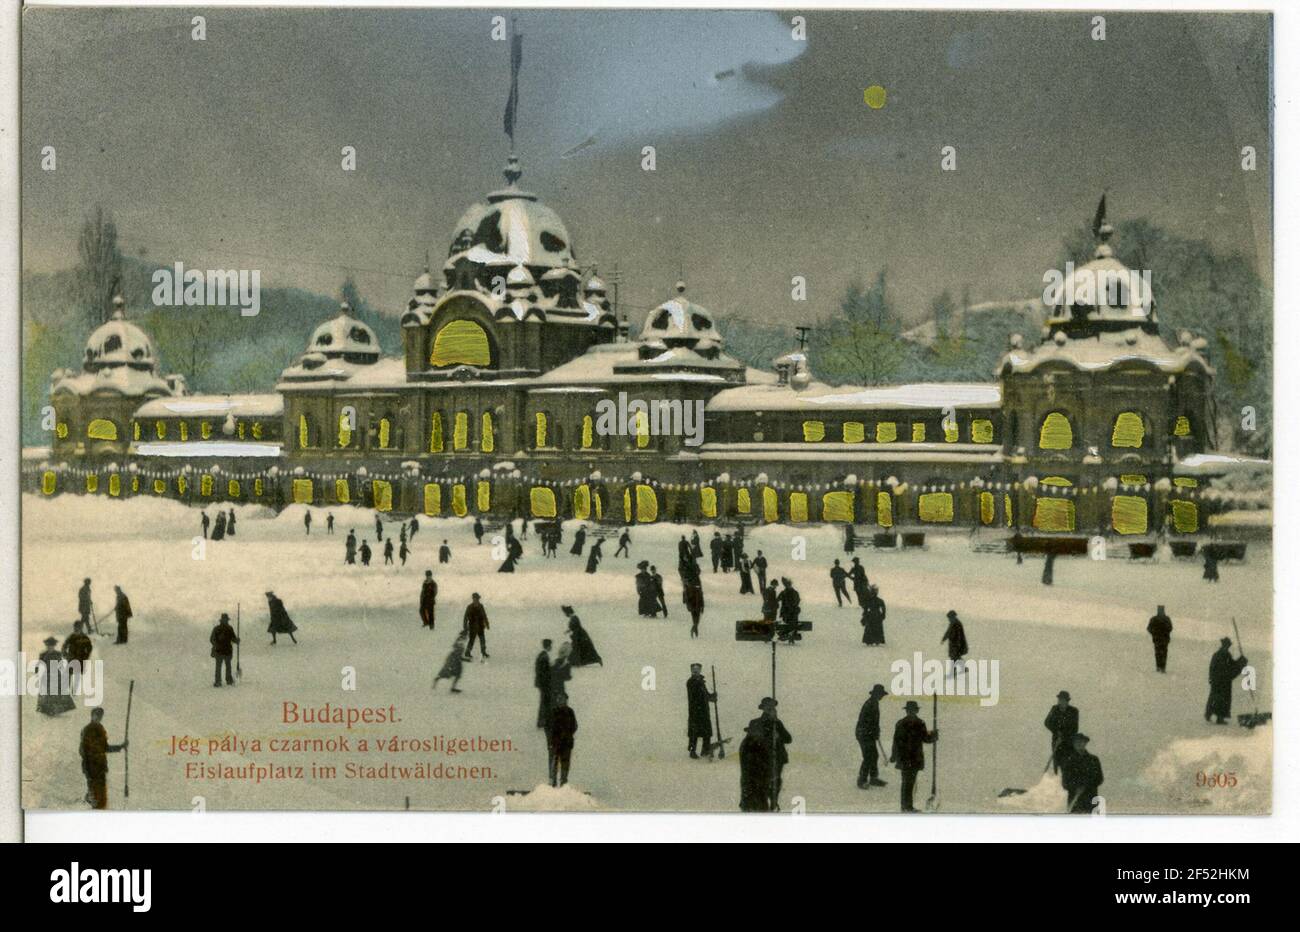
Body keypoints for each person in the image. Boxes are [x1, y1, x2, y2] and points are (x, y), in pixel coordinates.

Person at [889, 699, 937, 812]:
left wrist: (894, 756)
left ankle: (905, 806)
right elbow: (926, 739)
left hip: (904, 758)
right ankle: (908, 807)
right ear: (916, 711)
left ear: (907, 711)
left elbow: (895, 741)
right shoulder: (920, 723)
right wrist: (934, 735)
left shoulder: (900, 723)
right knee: (909, 783)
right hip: (915, 758)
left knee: (906, 782)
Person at [747, 698, 792, 810]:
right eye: (768, 707)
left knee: (776, 780)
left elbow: (788, 739)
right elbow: (751, 740)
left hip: (777, 757)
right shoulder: (755, 722)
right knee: (765, 781)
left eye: (772, 707)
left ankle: (773, 801)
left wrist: (777, 730)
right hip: (762, 757)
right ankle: (765, 803)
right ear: (763, 709)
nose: (771, 709)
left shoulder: (777, 723)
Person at [79, 707, 126, 809]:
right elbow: (82, 750)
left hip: (100, 766)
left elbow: (105, 748)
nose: (99, 718)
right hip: (91, 766)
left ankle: (90, 802)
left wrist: (121, 746)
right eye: (97, 715)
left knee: (99, 795)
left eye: (100, 716)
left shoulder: (101, 729)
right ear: (92, 716)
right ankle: (89, 805)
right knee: (95, 794)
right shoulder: (86, 730)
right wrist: (89, 761)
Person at [1205, 637, 1248, 724]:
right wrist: (1241, 663)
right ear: (1225, 645)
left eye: (1228, 645)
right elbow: (1230, 668)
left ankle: (1209, 713)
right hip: (1222, 681)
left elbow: (1231, 666)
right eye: (1227, 645)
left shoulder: (1219, 654)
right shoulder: (1223, 655)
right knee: (1223, 699)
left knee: (1214, 697)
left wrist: (1241, 661)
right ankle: (1219, 718)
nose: (1227, 647)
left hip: (1217, 680)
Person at [855, 684, 888, 788]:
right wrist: (874, 732)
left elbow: (874, 722)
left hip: (868, 734)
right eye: (881, 694)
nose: (882, 696)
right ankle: (862, 780)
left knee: (874, 755)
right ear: (876, 694)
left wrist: (876, 731)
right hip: (864, 734)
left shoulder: (874, 703)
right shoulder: (870, 704)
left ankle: (873, 778)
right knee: (868, 756)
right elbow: (867, 722)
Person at [1060, 733, 1103, 814]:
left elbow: (1099, 778)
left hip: (1091, 799)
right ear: (1073, 744)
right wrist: (1076, 787)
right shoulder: (1068, 761)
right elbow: (1065, 782)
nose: (1079, 744)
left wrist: (1086, 785)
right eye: (1077, 742)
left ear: (1085, 743)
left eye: (1082, 741)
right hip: (1075, 801)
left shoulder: (1093, 760)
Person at [36, 637, 76, 715]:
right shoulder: (43, 654)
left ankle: (57, 710)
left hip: (57, 675)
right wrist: (36, 670)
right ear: (46, 645)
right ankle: (47, 710)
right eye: (48, 646)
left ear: (54, 646)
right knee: (47, 692)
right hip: (47, 676)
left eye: (51, 645)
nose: (50, 647)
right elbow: (39, 664)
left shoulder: (58, 654)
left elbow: (61, 664)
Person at [738, 721, 772, 812]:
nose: (760, 734)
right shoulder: (749, 744)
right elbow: (754, 766)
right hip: (753, 786)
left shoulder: (756, 743)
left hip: (756, 786)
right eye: (758, 731)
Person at [546, 693, 578, 787]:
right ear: (557, 700)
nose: (561, 700)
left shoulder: (570, 712)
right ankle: (553, 783)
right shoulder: (553, 712)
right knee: (554, 763)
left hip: (566, 743)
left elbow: (574, 726)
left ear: (566, 700)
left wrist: (567, 734)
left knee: (565, 764)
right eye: (559, 698)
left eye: (563, 699)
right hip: (556, 743)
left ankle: (564, 783)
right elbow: (549, 727)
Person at [686, 663, 717, 759]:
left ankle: (705, 750)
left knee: (706, 731)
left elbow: (706, 695)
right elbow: (699, 695)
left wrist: (713, 696)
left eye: (697, 669)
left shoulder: (702, 682)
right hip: (695, 711)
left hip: (704, 711)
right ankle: (692, 751)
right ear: (691, 670)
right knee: (694, 732)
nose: (695, 670)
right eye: (694, 669)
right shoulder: (691, 682)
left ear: (700, 670)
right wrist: (709, 697)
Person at [1044, 690, 1078, 774]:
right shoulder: (1054, 709)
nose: (1060, 702)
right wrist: (1056, 731)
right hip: (1056, 741)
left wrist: (1064, 735)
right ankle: (1056, 779)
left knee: (1068, 763)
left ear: (1067, 701)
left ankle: (1067, 782)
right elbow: (1047, 722)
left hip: (1069, 742)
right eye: (1059, 699)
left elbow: (1075, 728)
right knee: (1056, 762)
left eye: (1063, 700)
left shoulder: (1074, 711)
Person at [62, 622, 94, 694]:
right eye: (75, 628)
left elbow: (89, 648)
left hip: (80, 659)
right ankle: (67, 690)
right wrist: (65, 654)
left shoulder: (85, 638)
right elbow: (64, 646)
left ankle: (74, 691)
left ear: (81, 628)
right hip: (71, 659)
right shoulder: (71, 637)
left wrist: (86, 656)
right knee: (69, 674)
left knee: (77, 675)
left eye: (78, 628)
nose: (77, 629)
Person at [209, 612, 240, 687]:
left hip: (221, 651)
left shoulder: (218, 628)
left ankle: (219, 682)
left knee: (220, 667)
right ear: (223, 620)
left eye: (226, 620)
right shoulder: (228, 628)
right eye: (225, 620)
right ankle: (228, 680)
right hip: (226, 651)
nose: (225, 621)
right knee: (226, 666)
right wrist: (237, 640)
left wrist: (236, 640)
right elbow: (234, 639)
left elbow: (212, 639)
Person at [462, 593, 489, 661]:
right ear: (473, 599)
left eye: (477, 599)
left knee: (482, 640)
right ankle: (467, 652)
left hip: (480, 626)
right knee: (471, 640)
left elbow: (484, 615)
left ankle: (483, 652)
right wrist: (465, 625)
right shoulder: (469, 607)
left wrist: (487, 623)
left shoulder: (481, 606)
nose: (476, 600)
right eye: (475, 599)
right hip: (472, 627)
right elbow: (465, 617)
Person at [1146, 605, 1173, 673]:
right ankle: (1162, 668)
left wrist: (1155, 633)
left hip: (1158, 639)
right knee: (1163, 654)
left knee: (1159, 654)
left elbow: (1149, 628)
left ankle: (1160, 667)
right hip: (1163, 639)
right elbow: (1170, 628)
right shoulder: (1166, 619)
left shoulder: (1154, 619)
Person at [940, 610, 968, 675]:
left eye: (949, 618)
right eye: (949, 618)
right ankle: (963, 668)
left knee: (954, 658)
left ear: (953, 617)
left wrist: (958, 645)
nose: (949, 619)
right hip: (954, 644)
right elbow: (948, 632)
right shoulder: (953, 623)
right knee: (955, 657)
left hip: (956, 645)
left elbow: (959, 635)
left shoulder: (957, 624)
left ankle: (953, 673)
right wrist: (943, 639)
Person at [534, 639, 553, 728]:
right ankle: (543, 722)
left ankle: (542, 721)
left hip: (541, 683)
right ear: (548, 646)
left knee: (544, 702)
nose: (552, 647)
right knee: (545, 702)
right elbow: (545, 672)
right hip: (544, 684)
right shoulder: (544, 657)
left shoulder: (542, 655)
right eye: (551, 646)